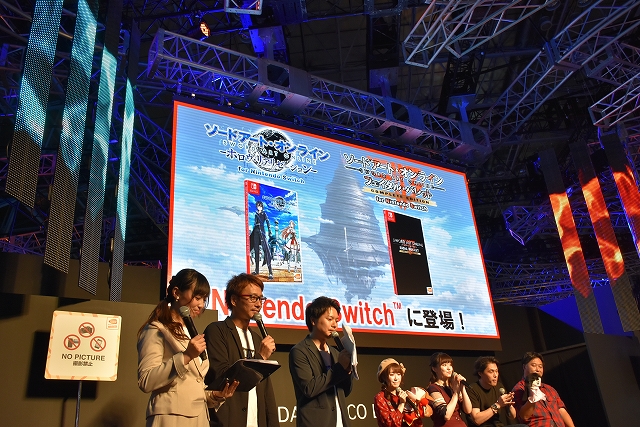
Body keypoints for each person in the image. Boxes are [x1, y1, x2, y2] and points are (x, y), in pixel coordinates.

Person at [137, 269, 238, 427]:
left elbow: (193, 385)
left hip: (200, 418)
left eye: (204, 299)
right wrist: (186, 356)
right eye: (197, 298)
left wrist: (215, 395)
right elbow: (146, 380)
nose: (201, 305)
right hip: (171, 417)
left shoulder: (191, 332)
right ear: (176, 293)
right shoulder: (156, 329)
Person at [204, 273, 279, 427]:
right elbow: (221, 377)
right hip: (229, 420)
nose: (258, 304)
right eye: (252, 298)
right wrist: (260, 358)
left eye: (261, 299)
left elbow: (266, 391)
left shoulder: (257, 338)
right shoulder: (217, 331)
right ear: (234, 300)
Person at [289, 296, 353, 427]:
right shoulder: (299, 351)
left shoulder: (336, 353)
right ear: (313, 320)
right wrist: (339, 368)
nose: (334, 325)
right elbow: (309, 388)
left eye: (336, 320)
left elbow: (345, 391)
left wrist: (348, 371)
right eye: (329, 319)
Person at [512, 352, 575, 427]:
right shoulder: (519, 389)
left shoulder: (549, 389)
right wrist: (532, 398)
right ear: (524, 367)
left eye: (540, 366)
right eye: (533, 365)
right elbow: (524, 416)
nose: (538, 369)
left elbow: (561, 410)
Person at [467, 356, 526, 427]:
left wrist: (509, 404)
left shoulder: (499, 386)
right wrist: (498, 405)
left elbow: (512, 416)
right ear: (480, 373)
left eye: (496, 371)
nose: (495, 375)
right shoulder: (472, 389)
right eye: (491, 371)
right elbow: (477, 420)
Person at [374, 358, 433, 427]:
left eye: (399, 374)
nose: (396, 378)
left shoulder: (405, 395)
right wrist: (401, 404)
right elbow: (391, 424)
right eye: (392, 374)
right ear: (384, 377)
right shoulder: (380, 397)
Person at [427, 352, 472, 427]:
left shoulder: (452, 387)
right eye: (444, 365)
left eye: (450, 365)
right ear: (434, 369)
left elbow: (468, 410)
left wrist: (462, 388)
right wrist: (456, 393)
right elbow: (446, 415)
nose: (449, 368)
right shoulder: (433, 388)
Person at [250, 201, 273, 279]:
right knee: (256, 250)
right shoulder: (256, 214)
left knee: (266, 250)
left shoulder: (264, 213)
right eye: (257, 206)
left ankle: (270, 273)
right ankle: (257, 270)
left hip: (262, 231)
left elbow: (268, 222)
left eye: (260, 206)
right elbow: (255, 223)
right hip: (255, 232)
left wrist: (269, 230)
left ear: (262, 206)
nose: (258, 207)